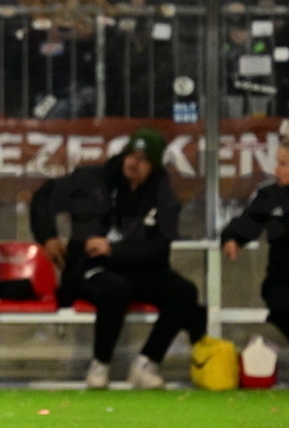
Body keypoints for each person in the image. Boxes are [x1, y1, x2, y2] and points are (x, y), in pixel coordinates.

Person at [30, 127, 207, 389]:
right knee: (115, 287)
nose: (134, 164)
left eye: (143, 160)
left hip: (138, 268)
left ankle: (146, 363)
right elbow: (43, 197)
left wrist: (114, 250)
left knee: (183, 292)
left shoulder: (164, 198)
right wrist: (48, 236)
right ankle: (100, 365)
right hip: (91, 268)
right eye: (131, 156)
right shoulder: (92, 180)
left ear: (155, 166)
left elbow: (158, 249)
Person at [221, 136, 289, 344]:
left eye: (284, 164)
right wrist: (232, 238)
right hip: (282, 280)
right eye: (277, 163)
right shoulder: (270, 195)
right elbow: (246, 223)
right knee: (282, 306)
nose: (276, 170)